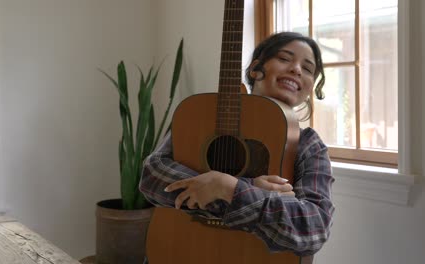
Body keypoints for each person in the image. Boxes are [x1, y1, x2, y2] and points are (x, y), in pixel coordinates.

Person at [139, 32, 334, 257]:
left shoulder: (309, 145)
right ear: (256, 69)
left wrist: (229, 188)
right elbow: (151, 176)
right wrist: (245, 189)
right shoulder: (201, 116)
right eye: (284, 58)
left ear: (310, 88)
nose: (296, 69)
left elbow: (313, 229)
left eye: (308, 69)